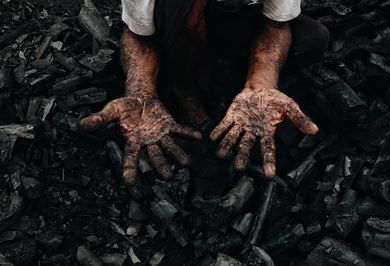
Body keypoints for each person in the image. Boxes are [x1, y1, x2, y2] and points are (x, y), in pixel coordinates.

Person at [79, 0, 330, 185]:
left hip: (231, 21)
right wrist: (141, 91)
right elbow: (138, 37)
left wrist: (262, 83)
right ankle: (184, 90)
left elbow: (276, 24)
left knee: (311, 39)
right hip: (175, 26)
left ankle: (233, 77)